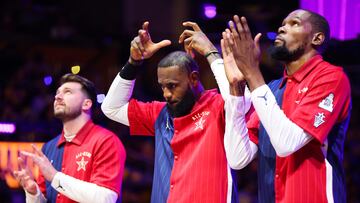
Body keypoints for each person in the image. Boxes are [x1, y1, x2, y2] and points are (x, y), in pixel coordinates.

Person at [101, 21, 253, 203]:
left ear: (194, 78)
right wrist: (134, 62)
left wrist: (210, 52)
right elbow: (111, 107)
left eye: (172, 86)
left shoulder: (219, 105)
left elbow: (241, 102)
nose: (166, 94)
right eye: (163, 86)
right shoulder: (161, 113)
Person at [221, 9, 351, 203]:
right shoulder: (272, 90)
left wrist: (252, 74)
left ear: (317, 38)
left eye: (294, 23)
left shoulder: (331, 78)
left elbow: (286, 144)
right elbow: (237, 157)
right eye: (283, 23)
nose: (282, 28)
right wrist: (236, 89)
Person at [13, 74, 126, 203]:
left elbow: (106, 199)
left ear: (86, 104)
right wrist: (33, 193)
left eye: (68, 92)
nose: (57, 97)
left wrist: (55, 177)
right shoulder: (49, 147)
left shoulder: (106, 141)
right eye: (57, 93)